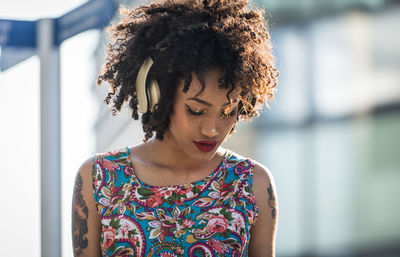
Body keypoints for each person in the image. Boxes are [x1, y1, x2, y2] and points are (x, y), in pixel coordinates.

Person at [72, 0, 279, 256]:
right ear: (157, 97)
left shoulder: (253, 183)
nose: (212, 130)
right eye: (196, 110)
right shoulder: (98, 178)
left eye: (228, 111)